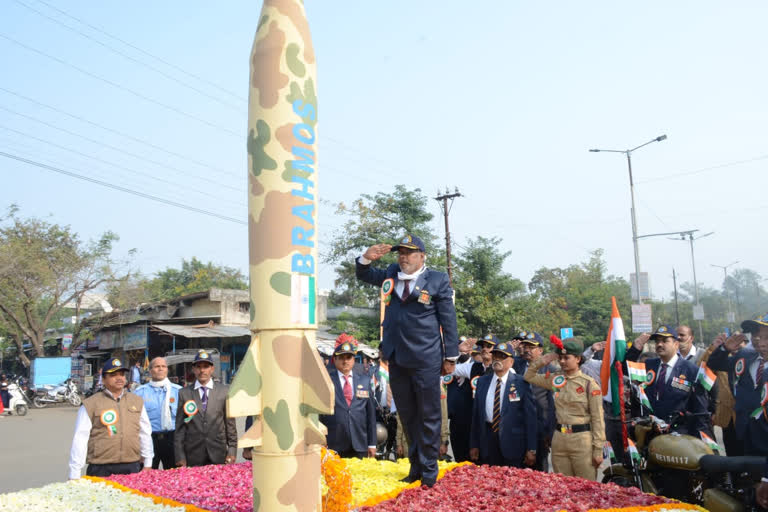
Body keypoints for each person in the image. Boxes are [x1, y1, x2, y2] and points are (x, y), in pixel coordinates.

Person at [355, 235, 459, 486]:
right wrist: (365, 259)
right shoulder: (392, 272)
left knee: (429, 416)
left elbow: (448, 319)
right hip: (397, 357)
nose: (404, 257)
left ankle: (429, 471)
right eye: (401, 252)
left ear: (422, 256)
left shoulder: (436, 279)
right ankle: (415, 468)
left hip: (426, 358)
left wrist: (451, 356)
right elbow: (365, 275)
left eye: (410, 253)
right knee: (408, 415)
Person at [525, 337, 605, 480]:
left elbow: (598, 418)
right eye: (560, 358)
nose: (562, 361)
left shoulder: (589, 384)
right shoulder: (556, 379)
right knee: (561, 486)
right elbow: (529, 376)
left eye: (566, 358)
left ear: (578, 359)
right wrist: (542, 361)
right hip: (560, 439)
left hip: (582, 440)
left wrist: (598, 449)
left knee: (586, 488)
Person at [68, 358, 153, 478]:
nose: (119, 378)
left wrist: (148, 462)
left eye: (122, 375)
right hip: (100, 467)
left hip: (132, 465)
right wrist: (74, 473)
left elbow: (145, 432)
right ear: (103, 379)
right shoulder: (91, 403)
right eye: (113, 375)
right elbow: (80, 438)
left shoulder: (137, 401)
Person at [707, 313, 768, 456]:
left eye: (765, 336)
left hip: (765, 435)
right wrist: (724, 350)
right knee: (741, 474)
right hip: (744, 433)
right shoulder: (744, 357)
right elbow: (714, 363)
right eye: (754, 334)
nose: (758, 340)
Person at [633, 326, 710, 434]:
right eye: (657, 341)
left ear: (676, 344)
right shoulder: (648, 365)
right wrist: (635, 348)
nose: (659, 344)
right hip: (649, 433)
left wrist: (703, 436)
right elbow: (622, 369)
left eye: (665, 341)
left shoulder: (692, 370)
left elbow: (700, 409)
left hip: (679, 434)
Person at [470, 342, 537, 468]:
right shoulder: (482, 381)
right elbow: (476, 415)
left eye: (502, 357)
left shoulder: (521, 383)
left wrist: (531, 448)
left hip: (513, 444)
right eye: (495, 356)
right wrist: (474, 444)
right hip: (487, 441)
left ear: (511, 362)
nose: (497, 360)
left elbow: (530, 418)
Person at [174, 350, 237, 467]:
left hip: (219, 452)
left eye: (206, 366)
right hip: (193, 454)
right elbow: (180, 428)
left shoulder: (224, 391)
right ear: (193, 369)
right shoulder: (184, 393)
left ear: (212, 369)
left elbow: (230, 424)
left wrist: (232, 451)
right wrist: (180, 456)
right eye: (198, 367)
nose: (202, 370)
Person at [320, 341, 377, 458]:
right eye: (341, 358)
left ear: (353, 360)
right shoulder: (326, 381)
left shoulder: (364, 380)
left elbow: (371, 415)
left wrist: (372, 443)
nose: (345, 361)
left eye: (349, 357)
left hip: (360, 443)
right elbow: (320, 414)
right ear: (335, 359)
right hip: (334, 443)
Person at [446, 334, 495, 462]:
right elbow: (448, 368)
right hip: (473, 423)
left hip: (494, 427)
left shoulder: (505, 370)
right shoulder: (473, 367)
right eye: (482, 346)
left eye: (489, 346)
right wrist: (457, 352)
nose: (484, 349)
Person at [513, 332, 556, 472]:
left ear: (541, 350)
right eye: (525, 346)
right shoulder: (515, 365)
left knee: (539, 470)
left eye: (531, 347)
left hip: (540, 426)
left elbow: (552, 404)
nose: (527, 350)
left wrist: (550, 431)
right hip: (518, 424)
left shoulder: (550, 370)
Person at [133, 357, 181, 469]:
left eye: (163, 366)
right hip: (149, 439)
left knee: (174, 478)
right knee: (147, 476)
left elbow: (186, 417)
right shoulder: (140, 393)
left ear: (167, 370)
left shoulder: (178, 391)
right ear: (150, 371)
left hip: (172, 439)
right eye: (157, 366)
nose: (160, 369)